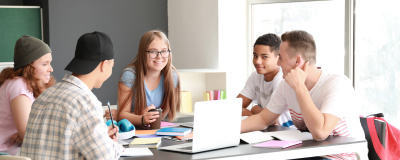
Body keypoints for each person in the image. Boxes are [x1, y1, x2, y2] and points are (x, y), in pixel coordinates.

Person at [241, 30, 365, 159]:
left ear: (297, 61)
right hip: (307, 154)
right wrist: (226, 131)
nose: (278, 63)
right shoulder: (286, 85)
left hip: (340, 157)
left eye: (281, 58)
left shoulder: (337, 84)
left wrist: (300, 87)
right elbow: (262, 119)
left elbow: (320, 132)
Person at [20, 31, 124, 159]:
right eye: (112, 65)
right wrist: (114, 146)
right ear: (104, 64)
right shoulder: (85, 102)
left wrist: (102, 138)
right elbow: (105, 157)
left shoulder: (44, 96)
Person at [104, 30, 180, 128]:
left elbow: (163, 115)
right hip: (131, 131)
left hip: (154, 130)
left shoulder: (172, 76)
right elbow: (123, 115)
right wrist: (142, 118)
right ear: (143, 53)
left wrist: (136, 114)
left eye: (164, 51)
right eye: (153, 52)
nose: (159, 57)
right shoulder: (130, 76)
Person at [0, 35, 55, 155]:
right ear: (29, 66)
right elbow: (29, 135)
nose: (51, 69)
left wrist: (26, 134)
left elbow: (32, 131)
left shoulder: (31, 85)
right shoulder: (19, 85)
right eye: (44, 64)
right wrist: (26, 134)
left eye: (50, 63)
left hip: (14, 153)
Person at [237, 33, 293, 127]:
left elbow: (273, 121)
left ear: (278, 57)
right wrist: (255, 112)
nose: (257, 61)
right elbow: (235, 107)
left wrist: (254, 108)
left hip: (284, 132)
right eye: (255, 56)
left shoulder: (282, 80)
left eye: (264, 57)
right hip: (266, 128)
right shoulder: (256, 76)